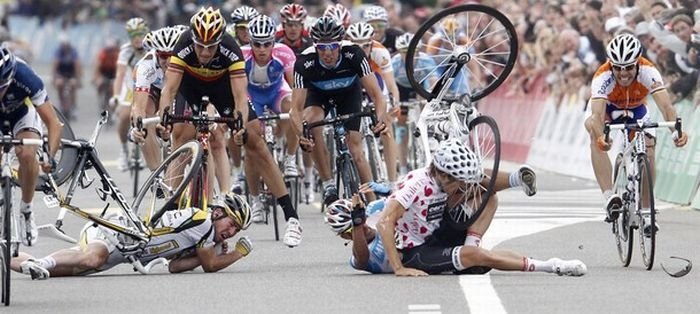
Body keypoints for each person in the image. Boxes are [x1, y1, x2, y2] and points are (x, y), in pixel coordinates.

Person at [158, 7, 303, 247]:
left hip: (222, 88)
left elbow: (239, 97)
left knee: (255, 141)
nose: (205, 52)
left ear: (219, 42)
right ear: (193, 40)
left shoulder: (230, 49)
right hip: (190, 87)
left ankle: (291, 217)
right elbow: (170, 89)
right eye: (200, 46)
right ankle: (169, 211)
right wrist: (164, 113)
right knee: (181, 134)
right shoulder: (183, 44)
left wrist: (239, 125)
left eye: (211, 47)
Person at [376, 138, 587, 277]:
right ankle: (551, 266)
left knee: (488, 197)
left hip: (437, 229)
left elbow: (477, 184)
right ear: (444, 175)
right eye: (460, 182)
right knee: (477, 256)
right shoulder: (416, 185)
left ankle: (471, 248)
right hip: (416, 250)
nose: (464, 186)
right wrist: (399, 268)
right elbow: (384, 222)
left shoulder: (443, 180)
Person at [12, 193, 253, 279]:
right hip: (116, 233)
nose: (230, 232)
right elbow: (210, 265)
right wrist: (238, 253)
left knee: (47, 272)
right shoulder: (202, 221)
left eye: (236, 231)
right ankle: (43, 261)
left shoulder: (204, 238)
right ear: (219, 212)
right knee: (90, 259)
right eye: (231, 224)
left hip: (119, 256)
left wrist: (206, 254)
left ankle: (9, 255)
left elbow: (175, 267)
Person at [584, 34, 688, 230]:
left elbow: (667, 107)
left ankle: (647, 213)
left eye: (629, 68)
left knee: (649, 149)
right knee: (592, 129)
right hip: (609, 111)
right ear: (610, 64)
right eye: (618, 68)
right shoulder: (602, 76)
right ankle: (609, 197)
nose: (623, 74)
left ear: (638, 63)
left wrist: (676, 132)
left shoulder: (649, 70)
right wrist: (601, 138)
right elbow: (597, 116)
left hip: (636, 110)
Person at [291, 16, 391, 206]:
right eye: (322, 48)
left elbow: (377, 96)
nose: (327, 53)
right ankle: (328, 183)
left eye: (333, 47)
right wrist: (301, 134)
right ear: (315, 46)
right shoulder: (304, 62)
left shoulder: (354, 54)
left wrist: (380, 120)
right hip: (318, 96)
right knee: (311, 124)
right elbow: (295, 110)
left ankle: (373, 204)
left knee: (355, 148)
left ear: (340, 44)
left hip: (348, 94)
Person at [0, 46, 62, 246]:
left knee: (26, 154)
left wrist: (49, 156)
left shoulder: (26, 77)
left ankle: (26, 208)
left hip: (21, 114)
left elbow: (53, 123)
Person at [241, 15, 300, 222]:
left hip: (276, 92)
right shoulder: (242, 56)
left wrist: (296, 114)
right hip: (252, 95)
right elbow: (239, 91)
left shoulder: (284, 53)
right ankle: (256, 201)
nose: (262, 49)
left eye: (267, 44)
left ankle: (290, 156)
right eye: (257, 44)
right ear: (250, 42)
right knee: (251, 146)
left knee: (293, 107)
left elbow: (295, 86)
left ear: (273, 43)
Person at [346, 22, 400, 185]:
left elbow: (390, 84)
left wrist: (394, 103)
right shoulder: (344, 53)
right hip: (352, 82)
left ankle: (392, 182)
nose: (362, 50)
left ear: (371, 43)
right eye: (357, 46)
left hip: (375, 82)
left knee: (386, 125)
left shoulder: (380, 52)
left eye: (366, 45)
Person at [129, 26, 185, 171]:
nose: (167, 61)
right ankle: (157, 174)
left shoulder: (187, 60)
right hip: (155, 90)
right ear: (156, 53)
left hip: (179, 89)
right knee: (145, 117)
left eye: (171, 55)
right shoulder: (145, 67)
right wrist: (138, 127)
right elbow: (138, 106)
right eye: (163, 56)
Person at [112, 17, 149, 171]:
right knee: (124, 116)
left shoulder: (151, 47)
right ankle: (124, 150)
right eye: (133, 35)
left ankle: (145, 152)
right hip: (130, 87)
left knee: (149, 116)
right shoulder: (126, 50)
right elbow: (120, 75)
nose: (137, 38)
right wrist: (115, 95)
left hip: (147, 86)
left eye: (140, 34)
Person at [325, 195, 391, 274]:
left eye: (363, 217)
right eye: (351, 230)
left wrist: (389, 190)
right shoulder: (362, 255)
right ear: (345, 236)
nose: (363, 227)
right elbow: (361, 260)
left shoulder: (374, 208)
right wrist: (357, 224)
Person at [51, 34, 82, 120]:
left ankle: (74, 106)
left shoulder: (73, 51)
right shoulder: (58, 51)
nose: (64, 47)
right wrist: (54, 79)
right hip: (61, 73)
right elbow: (55, 66)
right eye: (63, 45)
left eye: (65, 45)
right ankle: (61, 102)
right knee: (59, 84)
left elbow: (77, 66)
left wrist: (77, 79)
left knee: (73, 85)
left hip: (71, 72)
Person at [93, 39, 119, 116]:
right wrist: (97, 78)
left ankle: (113, 103)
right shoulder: (103, 54)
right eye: (109, 50)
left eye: (112, 50)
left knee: (112, 87)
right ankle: (101, 97)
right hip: (104, 72)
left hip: (114, 73)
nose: (110, 52)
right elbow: (97, 67)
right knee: (100, 84)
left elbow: (120, 71)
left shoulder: (117, 54)